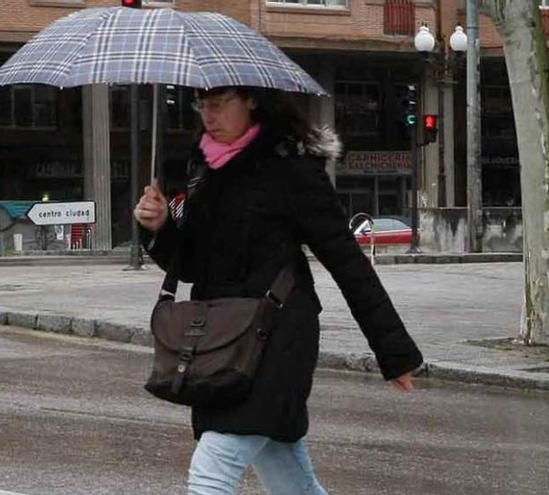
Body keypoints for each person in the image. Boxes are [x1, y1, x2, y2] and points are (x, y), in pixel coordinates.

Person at [134, 86, 422, 495]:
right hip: (219, 343)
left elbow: (348, 263)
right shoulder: (202, 171)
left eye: (218, 104)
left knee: (211, 471)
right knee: (289, 479)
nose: (208, 115)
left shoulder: (292, 169)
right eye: (202, 105)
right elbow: (193, 264)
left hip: (277, 340)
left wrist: (394, 352)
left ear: (251, 101)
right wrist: (159, 227)